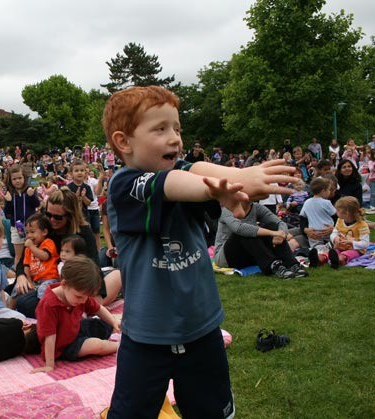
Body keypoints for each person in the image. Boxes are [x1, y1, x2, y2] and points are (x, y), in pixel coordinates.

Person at [101, 85, 297, 418]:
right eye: (160, 129)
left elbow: (199, 171)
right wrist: (224, 186)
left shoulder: (185, 170)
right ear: (124, 142)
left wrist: (235, 180)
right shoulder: (124, 185)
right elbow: (173, 183)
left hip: (202, 331)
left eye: (177, 127)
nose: (175, 137)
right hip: (146, 337)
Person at [14, 189, 123, 318]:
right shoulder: (44, 229)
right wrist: (21, 275)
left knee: (117, 275)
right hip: (49, 282)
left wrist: (96, 297)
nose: (52, 219)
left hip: (79, 282)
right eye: (48, 214)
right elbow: (26, 256)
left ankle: (72, 310)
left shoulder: (83, 234)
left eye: (58, 217)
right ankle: (69, 310)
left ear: (70, 215)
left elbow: (94, 267)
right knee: (23, 303)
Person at [31, 256, 120, 373]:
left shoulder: (78, 293)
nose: (83, 301)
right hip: (64, 346)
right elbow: (49, 337)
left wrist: (114, 322)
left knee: (103, 323)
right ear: (64, 284)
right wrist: (49, 365)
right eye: (79, 297)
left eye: (86, 297)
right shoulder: (49, 304)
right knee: (98, 345)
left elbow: (99, 308)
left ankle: (115, 329)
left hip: (77, 329)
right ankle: (122, 346)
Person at [214, 201, 307, 278]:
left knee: (272, 226)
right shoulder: (227, 210)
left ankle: (291, 264)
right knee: (245, 232)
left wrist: (280, 234)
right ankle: (274, 266)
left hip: (250, 254)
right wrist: (273, 233)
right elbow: (239, 228)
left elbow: (279, 222)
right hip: (226, 258)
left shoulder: (256, 207)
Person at [17, 212, 59, 303]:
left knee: (42, 291)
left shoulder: (48, 242)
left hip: (50, 279)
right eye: (27, 232)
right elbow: (26, 266)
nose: (29, 236)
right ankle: (10, 309)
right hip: (36, 281)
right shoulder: (28, 249)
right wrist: (29, 281)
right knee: (18, 289)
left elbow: (45, 256)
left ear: (44, 232)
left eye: (32, 232)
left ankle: (43, 310)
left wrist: (31, 247)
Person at [3, 165, 39, 267]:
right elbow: (7, 214)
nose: (17, 181)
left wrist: (31, 196)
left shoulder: (29, 190)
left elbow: (36, 204)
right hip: (16, 227)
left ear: (24, 178)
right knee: (19, 255)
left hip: (31, 227)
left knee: (32, 251)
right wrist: (9, 201)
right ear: (10, 180)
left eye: (20, 178)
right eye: (14, 179)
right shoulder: (9, 193)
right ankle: (18, 275)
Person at [299, 177, 336, 248]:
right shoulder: (326, 202)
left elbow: (302, 215)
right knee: (332, 245)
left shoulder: (307, 202)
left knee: (316, 248)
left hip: (314, 231)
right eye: (328, 190)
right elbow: (335, 214)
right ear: (323, 191)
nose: (329, 192)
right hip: (327, 230)